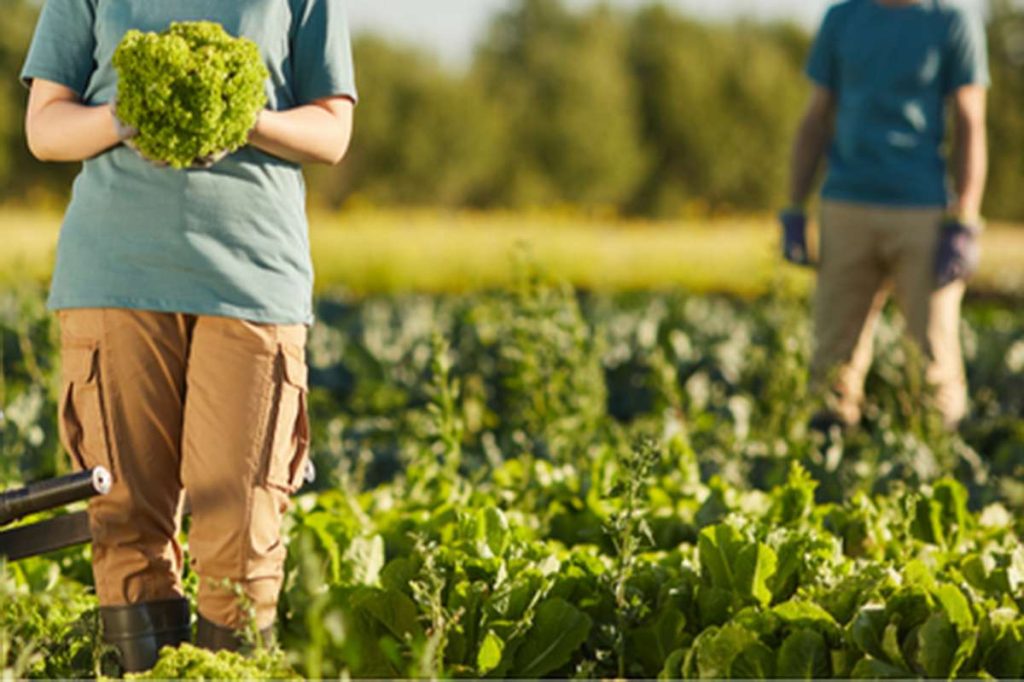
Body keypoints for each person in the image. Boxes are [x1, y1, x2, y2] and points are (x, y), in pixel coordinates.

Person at [20, 0, 356, 671]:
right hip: (113, 276)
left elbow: (331, 129)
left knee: (244, 526)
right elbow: (46, 128)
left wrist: (245, 119)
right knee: (124, 521)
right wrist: (124, 116)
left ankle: (232, 670)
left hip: (252, 280)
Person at [782, 0, 989, 431]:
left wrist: (965, 219)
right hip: (845, 205)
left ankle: (938, 464)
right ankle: (830, 470)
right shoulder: (843, 18)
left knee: (935, 360)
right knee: (832, 363)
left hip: (924, 211)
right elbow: (815, 117)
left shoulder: (951, 20)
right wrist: (794, 208)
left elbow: (971, 120)